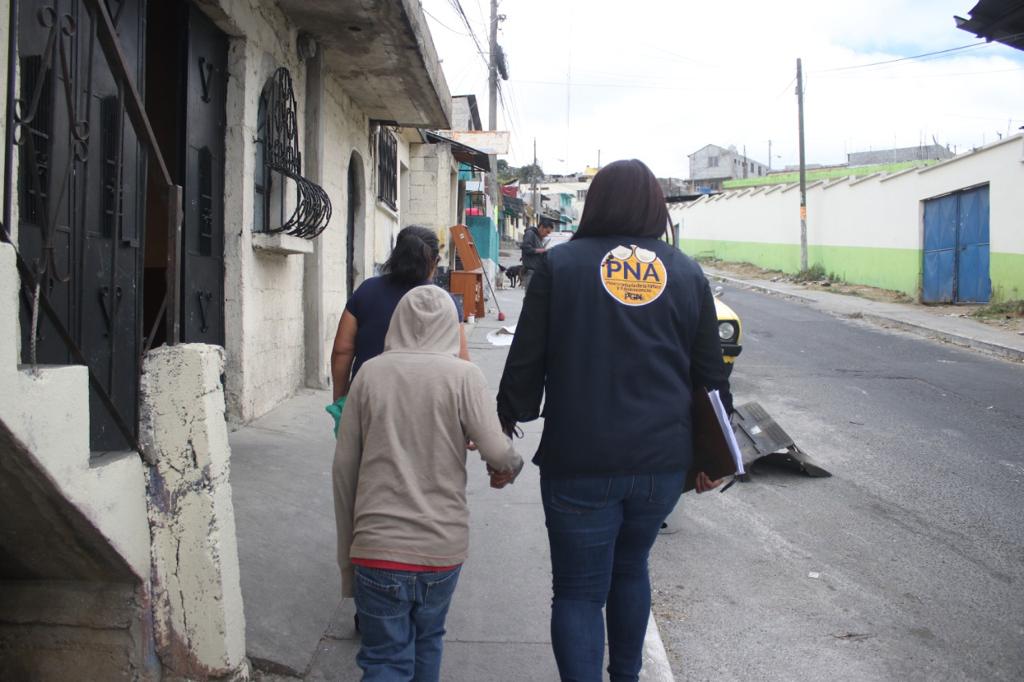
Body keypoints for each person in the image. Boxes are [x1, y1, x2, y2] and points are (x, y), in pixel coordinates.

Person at [496, 159, 733, 682]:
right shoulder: (686, 272)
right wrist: (715, 455)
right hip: (660, 464)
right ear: (655, 207)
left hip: (579, 458)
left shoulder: (561, 265)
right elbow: (710, 376)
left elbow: (527, 356)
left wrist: (508, 416)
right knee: (630, 569)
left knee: (579, 592)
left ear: (596, 203)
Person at [333, 285, 523, 681]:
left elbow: (344, 470)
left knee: (385, 660)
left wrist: (347, 560)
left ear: (397, 322)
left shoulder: (369, 374)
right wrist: (509, 467)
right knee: (429, 639)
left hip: (377, 548)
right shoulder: (464, 376)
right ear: (452, 327)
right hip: (441, 548)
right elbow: (496, 450)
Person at [329, 226, 469, 430]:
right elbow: (462, 361)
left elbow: (342, 350)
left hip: (368, 400)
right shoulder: (446, 303)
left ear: (395, 255)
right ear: (435, 262)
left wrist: (341, 398)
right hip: (427, 409)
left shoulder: (367, 291)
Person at [519, 219, 554, 289]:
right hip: (530, 272)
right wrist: (544, 250)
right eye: (547, 232)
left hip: (536, 273)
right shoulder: (530, 233)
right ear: (541, 227)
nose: (547, 235)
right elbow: (526, 248)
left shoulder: (538, 237)